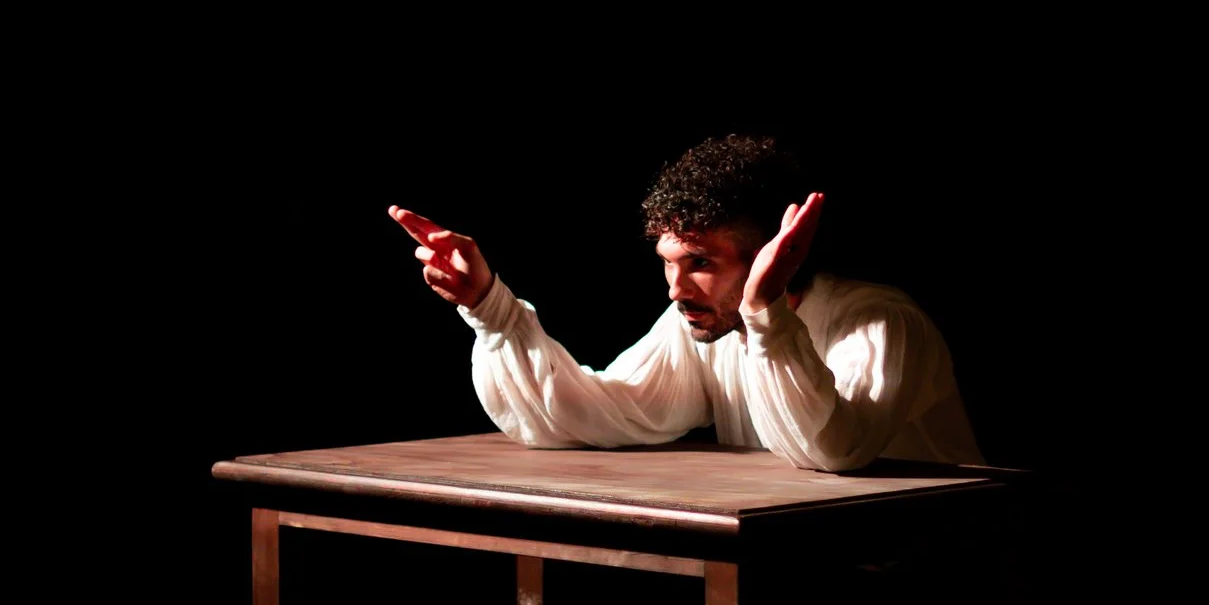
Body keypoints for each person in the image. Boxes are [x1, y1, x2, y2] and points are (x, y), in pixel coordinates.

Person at [388, 134, 982, 471]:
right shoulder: (701, 326)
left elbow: (836, 452)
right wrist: (492, 309)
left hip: (926, 585)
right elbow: (609, 413)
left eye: (701, 263)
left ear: (777, 254)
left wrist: (765, 314)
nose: (676, 290)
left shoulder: (882, 323)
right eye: (668, 263)